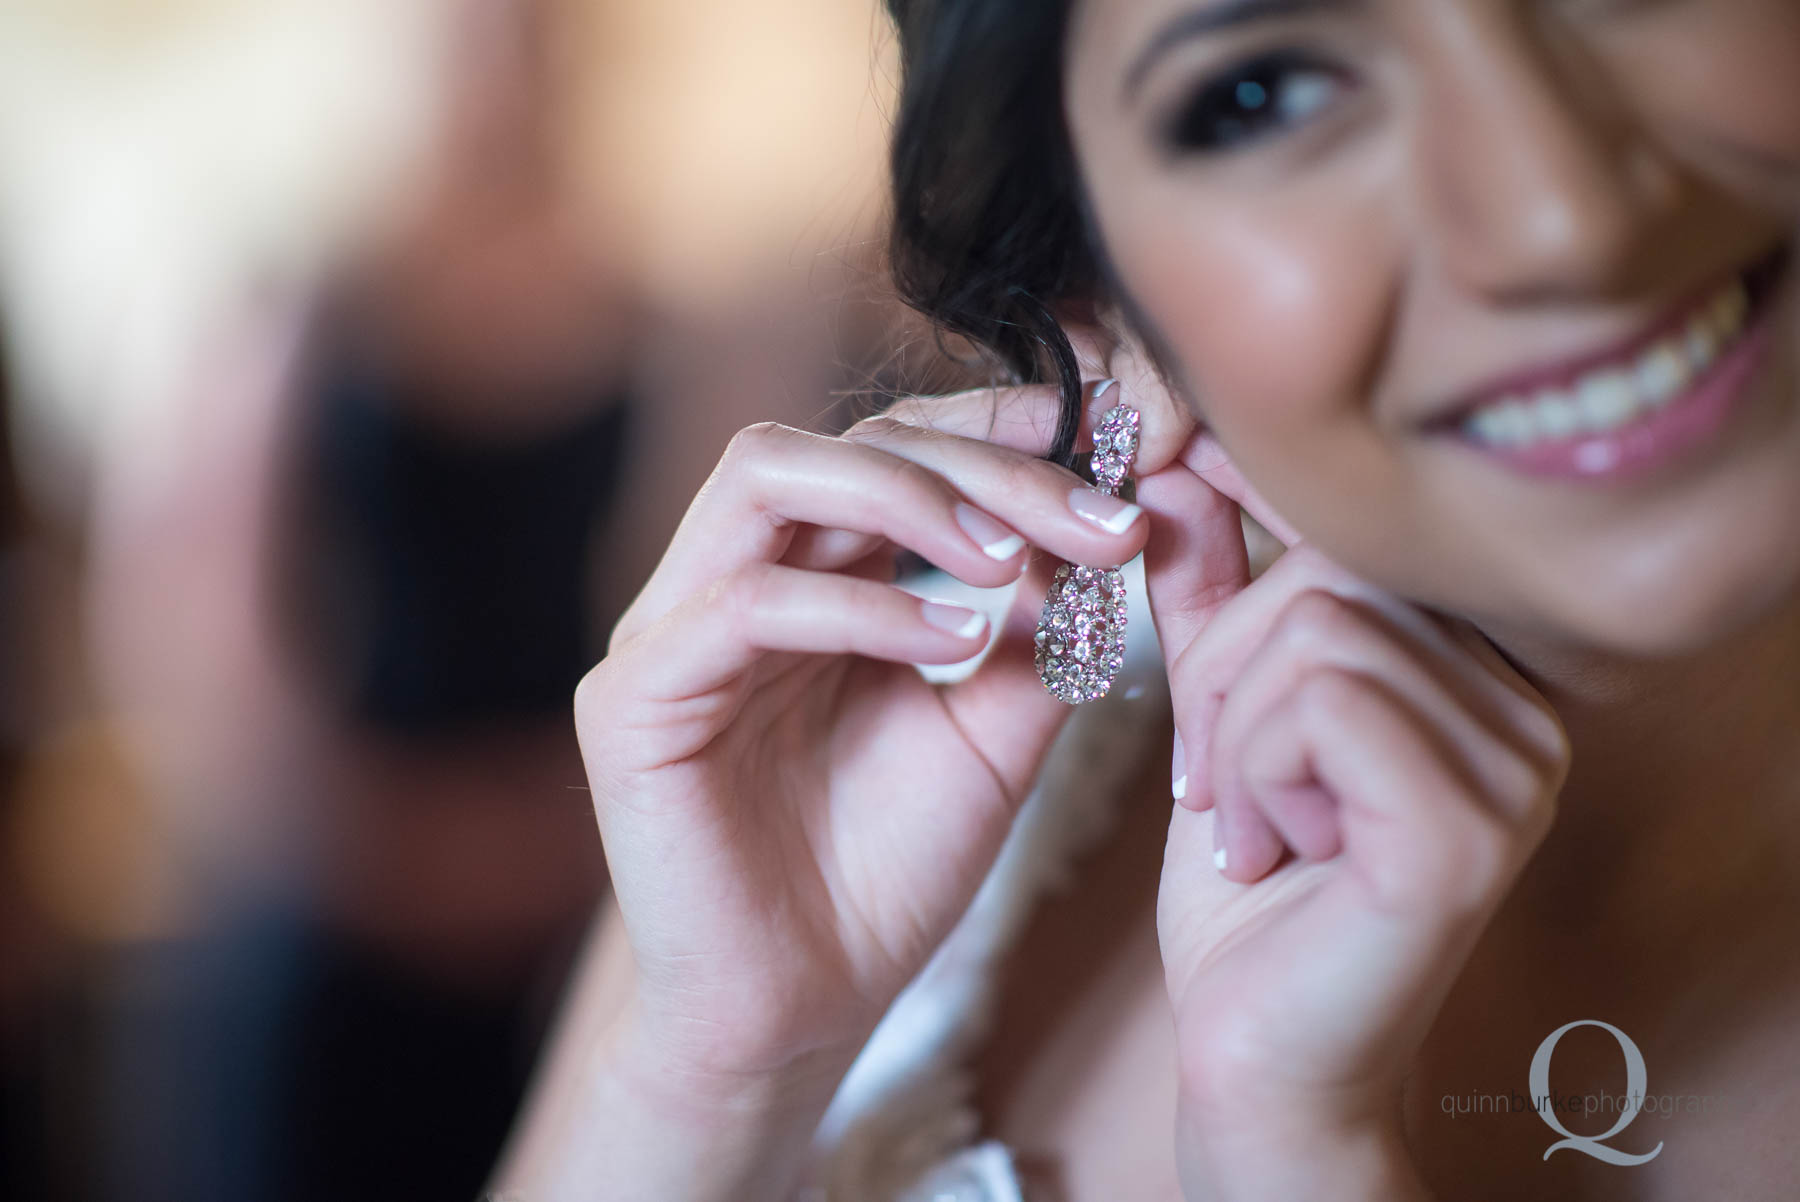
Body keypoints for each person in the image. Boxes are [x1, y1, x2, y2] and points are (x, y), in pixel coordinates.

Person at [490, 0, 1800, 1198]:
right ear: (1099, 297)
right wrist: (715, 1072)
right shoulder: (865, 769)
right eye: (1264, 94)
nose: (1565, 213)